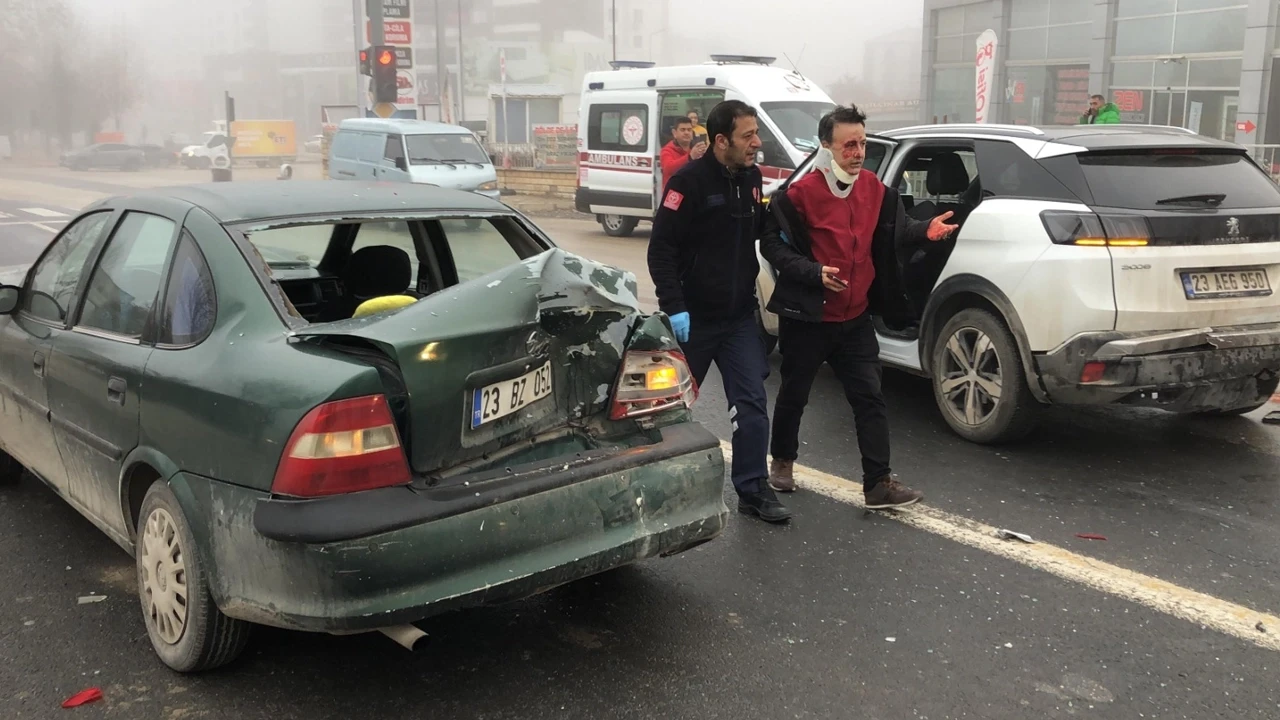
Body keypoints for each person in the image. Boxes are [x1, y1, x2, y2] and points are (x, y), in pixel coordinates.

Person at [759, 104, 957, 509]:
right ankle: (782, 461)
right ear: (826, 147)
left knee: (870, 399)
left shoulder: (875, 191)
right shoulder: (798, 195)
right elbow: (772, 245)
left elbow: (896, 232)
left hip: (855, 319)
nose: (858, 151)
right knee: (795, 394)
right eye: (849, 144)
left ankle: (878, 483)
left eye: (862, 143)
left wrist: (925, 231)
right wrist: (813, 272)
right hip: (810, 319)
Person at [647, 99, 791, 524]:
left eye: (756, 134)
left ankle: (753, 489)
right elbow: (662, 250)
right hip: (693, 320)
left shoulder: (750, 178)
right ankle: (654, 488)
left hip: (737, 319)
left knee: (751, 407)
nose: (757, 143)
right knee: (668, 408)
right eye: (748, 135)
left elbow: (758, 231)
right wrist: (674, 306)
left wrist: (782, 228)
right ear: (722, 140)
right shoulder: (687, 183)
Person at [660, 116, 706, 191]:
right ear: (674, 133)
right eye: (682, 130)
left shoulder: (696, 149)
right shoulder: (667, 150)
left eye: (689, 130)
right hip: (674, 195)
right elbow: (668, 169)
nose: (686, 133)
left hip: (693, 193)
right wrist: (690, 157)